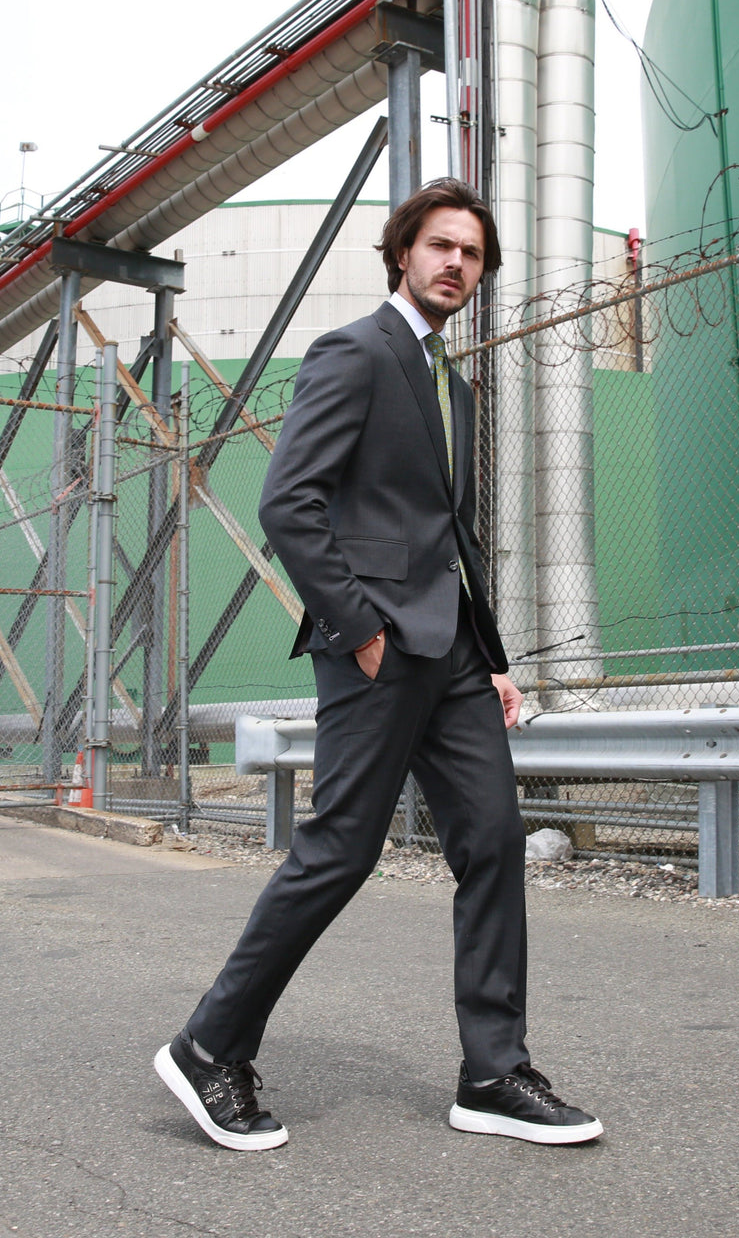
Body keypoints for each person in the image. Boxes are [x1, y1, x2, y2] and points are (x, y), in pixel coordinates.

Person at [155, 178, 603, 1150]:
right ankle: (207, 1046)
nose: (455, 263)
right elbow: (289, 502)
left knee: (492, 843)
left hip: (452, 660)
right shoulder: (354, 353)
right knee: (339, 853)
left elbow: (451, 538)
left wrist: (488, 657)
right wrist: (360, 626)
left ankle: (491, 1072)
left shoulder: (456, 387)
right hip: (374, 650)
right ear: (403, 252)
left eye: (472, 254)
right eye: (440, 245)